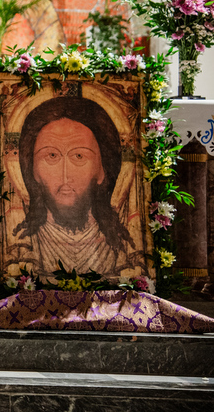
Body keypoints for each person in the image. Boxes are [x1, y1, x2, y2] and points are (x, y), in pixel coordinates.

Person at [9, 95, 141, 278]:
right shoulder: (20, 249)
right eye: (51, 156)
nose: (65, 175)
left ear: (102, 169)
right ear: (32, 170)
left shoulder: (126, 252)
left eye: (79, 156)